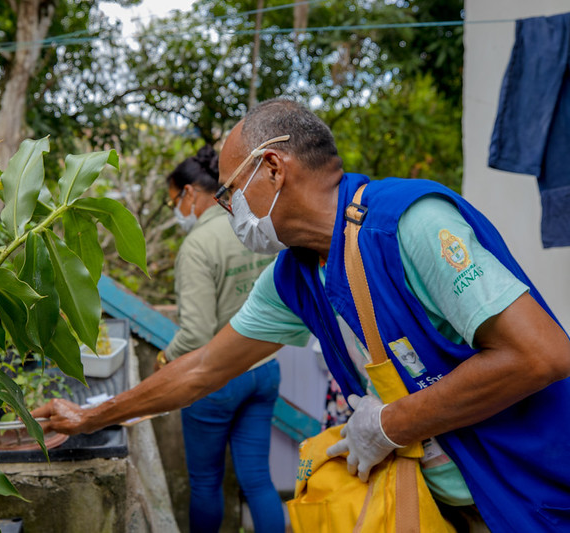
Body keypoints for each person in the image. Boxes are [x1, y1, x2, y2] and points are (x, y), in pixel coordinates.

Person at [35, 98, 570, 532]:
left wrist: (391, 422)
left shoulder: (410, 225)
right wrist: (94, 416)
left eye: (229, 195)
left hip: (530, 493)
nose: (231, 213)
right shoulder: (293, 276)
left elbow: (540, 355)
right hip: (443, 503)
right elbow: (202, 369)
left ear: (272, 167)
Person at [161, 145, 286, 533]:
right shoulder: (251, 228)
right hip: (263, 369)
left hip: (217, 378)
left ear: (191, 194)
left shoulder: (198, 246)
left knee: (205, 482)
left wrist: (166, 359)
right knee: (258, 480)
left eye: (173, 203)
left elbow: (196, 332)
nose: (176, 213)